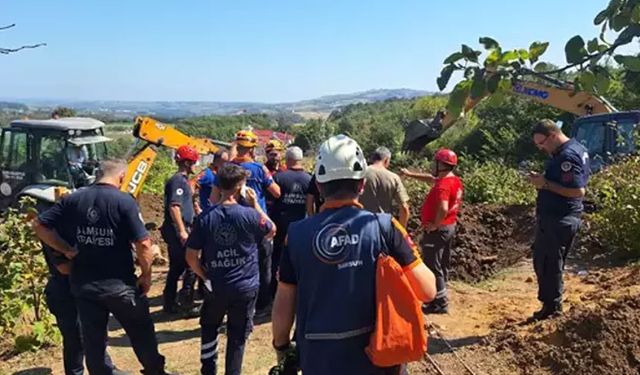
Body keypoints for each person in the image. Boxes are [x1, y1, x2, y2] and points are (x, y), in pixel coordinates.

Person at [272, 135, 437, 375]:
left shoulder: (295, 235)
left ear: (318, 186)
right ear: (361, 185)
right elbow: (428, 290)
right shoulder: (385, 227)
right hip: (377, 359)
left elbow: (284, 302)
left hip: (318, 359)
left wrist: (282, 347)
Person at [33, 160, 169, 375]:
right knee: (141, 331)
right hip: (119, 285)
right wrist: (146, 274)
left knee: (94, 341)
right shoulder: (124, 201)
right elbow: (143, 244)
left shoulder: (74, 199)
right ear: (122, 177)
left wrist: (66, 249)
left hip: (85, 286)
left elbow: (39, 225)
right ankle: (155, 371)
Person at [186, 163, 276, 375]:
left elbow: (191, 256)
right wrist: (255, 204)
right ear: (240, 187)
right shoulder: (250, 215)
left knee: (209, 327)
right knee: (237, 337)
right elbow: (272, 230)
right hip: (245, 286)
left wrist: (204, 276)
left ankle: (208, 370)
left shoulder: (205, 218)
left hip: (216, 285)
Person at [211, 130, 281, 318]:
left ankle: (235, 305)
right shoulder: (260, 169)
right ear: (252, 149)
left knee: (236, 264)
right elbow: (277, 192)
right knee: (263, 265)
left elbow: (213, 199)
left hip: (232, 223)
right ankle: (263, 305)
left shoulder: (226, 170)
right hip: (258, 222)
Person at [526, 119, 590, 321]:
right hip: (559, 217)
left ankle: (552, 308)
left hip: (559, 218)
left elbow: (577, 191)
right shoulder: (574, 148)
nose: (541, 148)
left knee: (548, 263)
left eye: (542, 143)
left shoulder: (567, 156)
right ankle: (551, 304)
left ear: (553, 135)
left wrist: (544, 184)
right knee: (549, 261)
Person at [40, 240, 119, 375]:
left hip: (84, 286)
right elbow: (64, 268)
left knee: (95, 333)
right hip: (65, 290)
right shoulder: (52, 228)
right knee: (75, 338)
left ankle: (105, 368)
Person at [401, 148, 463, 314]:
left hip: (438, 230)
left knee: (432, 266)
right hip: (449, 227)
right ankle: (440, 297)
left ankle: (440, 303)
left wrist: (435, 224)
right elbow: (431, 179)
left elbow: (443, 207)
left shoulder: (442, 186)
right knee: (442, 264)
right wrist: (409, 174)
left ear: (441, 165)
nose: (432, 165)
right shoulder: (453, 180)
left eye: (435, 162)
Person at [162, 145, 199, 315]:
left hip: (178, 229)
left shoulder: (182, 181)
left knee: (177, 267)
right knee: (191, 265)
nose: (194, 165)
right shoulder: (178, 181)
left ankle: (170, 303)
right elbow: (175, 207)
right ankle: (185, 303)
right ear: (186, 162)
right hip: (179, 231)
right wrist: (183, 231)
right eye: (192, 162)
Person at [270, 146, 312, 296]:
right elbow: (310, 206)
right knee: (300, 259)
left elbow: (270, 202)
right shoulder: (309, 179)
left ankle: (275, 291)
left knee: (276, 259)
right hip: (301, 226)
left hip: (280, 225)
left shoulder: (279, 178)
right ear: (300, 160)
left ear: (287, 160)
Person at [360, 146, 411, 227]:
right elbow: (404, 209)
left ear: (373, 158)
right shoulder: (394, 178)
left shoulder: (360, 174)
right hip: (383, 228)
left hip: (361, 225)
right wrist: (401, 233)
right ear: (386, 160)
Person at [195, 149, 229, 214]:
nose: (227, 165)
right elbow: (192, 184)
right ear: (217, 162)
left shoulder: (220, 176)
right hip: (205, 212)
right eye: (225, 162)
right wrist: (196, 206)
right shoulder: (207, 174)